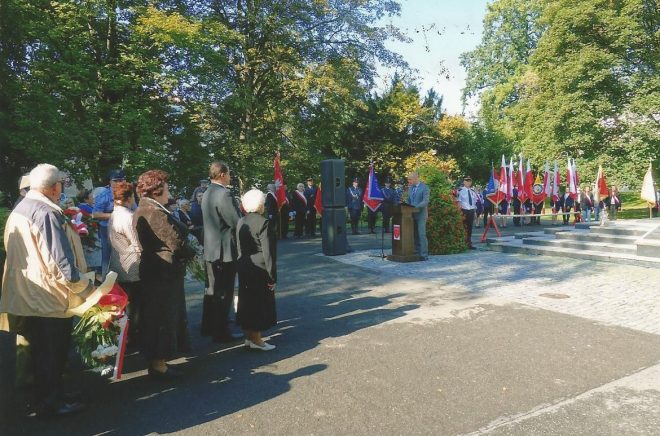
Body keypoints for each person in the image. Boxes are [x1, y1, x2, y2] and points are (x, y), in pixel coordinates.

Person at [1, 164, 92, 417]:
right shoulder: (46, 213)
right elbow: (60, 263)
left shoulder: (21, 208)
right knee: (52, 354)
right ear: (54, 188)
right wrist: (86, 288)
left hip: (29, 293)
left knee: (41, 352)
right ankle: (52, 403)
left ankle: (50, 396)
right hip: (49, 297)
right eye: (61, 184)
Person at [134, 170, 194, 379]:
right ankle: (159, 365)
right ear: (156, 190)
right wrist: (192, 252)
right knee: (161, 318)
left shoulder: (150, 208)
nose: (169, 192)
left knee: (161, 316)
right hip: (161, 274)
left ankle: (159, 362)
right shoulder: (153, 211)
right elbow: (174, 242)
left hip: (159, 272)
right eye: (166, 188)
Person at [201, 161, 243, 343]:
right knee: (224, 292)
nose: (230, 177)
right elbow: (235, 221)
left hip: (211, 248)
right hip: (224, 251)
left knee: (212, 290)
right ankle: (221, 331)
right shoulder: (224, 194)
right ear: (223, 174)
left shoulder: (207, 192)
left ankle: (209, 325)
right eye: (229, 174)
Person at [236, 189, 277, 351]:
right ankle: (257, 339)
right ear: (260, 205)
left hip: (244, 265)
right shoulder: (264, 223)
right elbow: (269, 253)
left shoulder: (241, 221)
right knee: (259, 304)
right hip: (260, 268)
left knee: (247, 302)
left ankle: (249, 337)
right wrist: (272, 277)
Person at [108, 181, 142, 345]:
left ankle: (127, 338)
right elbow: (137, 244)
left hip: (118, 264)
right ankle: (134, 338)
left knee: (126, 305)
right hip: (132, 267)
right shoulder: (128, 217)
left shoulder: (114, 214)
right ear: (129, 197)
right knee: (134, 307)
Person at [93, 169, 126, 279]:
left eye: (121, 180)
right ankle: (106, 282)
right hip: (107, 229)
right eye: (115, 181)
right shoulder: (104, 195)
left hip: (125, 228)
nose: (119, 183)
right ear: (110, 182)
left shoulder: (128, 193)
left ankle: (124, 281)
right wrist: (115, 215)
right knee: (108, 257)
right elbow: (95, 214)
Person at [407, 172, 430, 260]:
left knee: (421, 234)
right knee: (414, 235)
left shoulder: (425, 187)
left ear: (416, 178)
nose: (409, 181)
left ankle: (424, 255)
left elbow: (425, 201)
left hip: (421, 215)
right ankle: (417, 253)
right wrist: (405, 205)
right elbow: (409, 200)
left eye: (410, 179)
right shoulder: (410, 188)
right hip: (411, 215)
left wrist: (416, 207)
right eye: (408, 179)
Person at [457, 176, 477, 249]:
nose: (468, 183)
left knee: (470, 228)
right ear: (464, 182)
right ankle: (462, 243)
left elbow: (474, 203)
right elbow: (458, 202)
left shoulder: (472, 191)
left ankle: (469, 243)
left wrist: (475, 212)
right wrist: (459, 212)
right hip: (464, 210)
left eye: (469, 181)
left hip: (471, 210)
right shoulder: (460, 190)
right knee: (463, 227)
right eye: (466, 181)